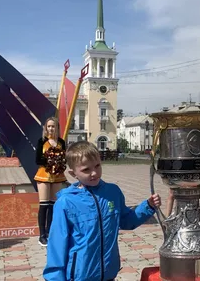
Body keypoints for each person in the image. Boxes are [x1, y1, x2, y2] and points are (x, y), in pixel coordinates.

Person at [43, 141, 161, 281]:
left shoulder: (112, 192)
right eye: (86, 170)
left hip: (109, 273)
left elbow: (126, 221)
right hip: (80, 276)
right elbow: (57, 244)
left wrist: (148, 206)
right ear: (73, 173)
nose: (94, 173)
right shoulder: (66, 202)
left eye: (97, 166)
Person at [34, 117, 67, 247]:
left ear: (57, 128)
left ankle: (50, 232)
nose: (51, 129)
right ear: (45, 128)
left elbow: (64, 158)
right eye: (49, 126)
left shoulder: (62, 142)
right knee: (44, 204)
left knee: (54, 204)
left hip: (58, 176)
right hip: (43, 175)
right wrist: (51, 160)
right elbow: (37, 159)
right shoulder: (42, 141)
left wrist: (60, 162)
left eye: (54, 126)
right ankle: (42, 235)